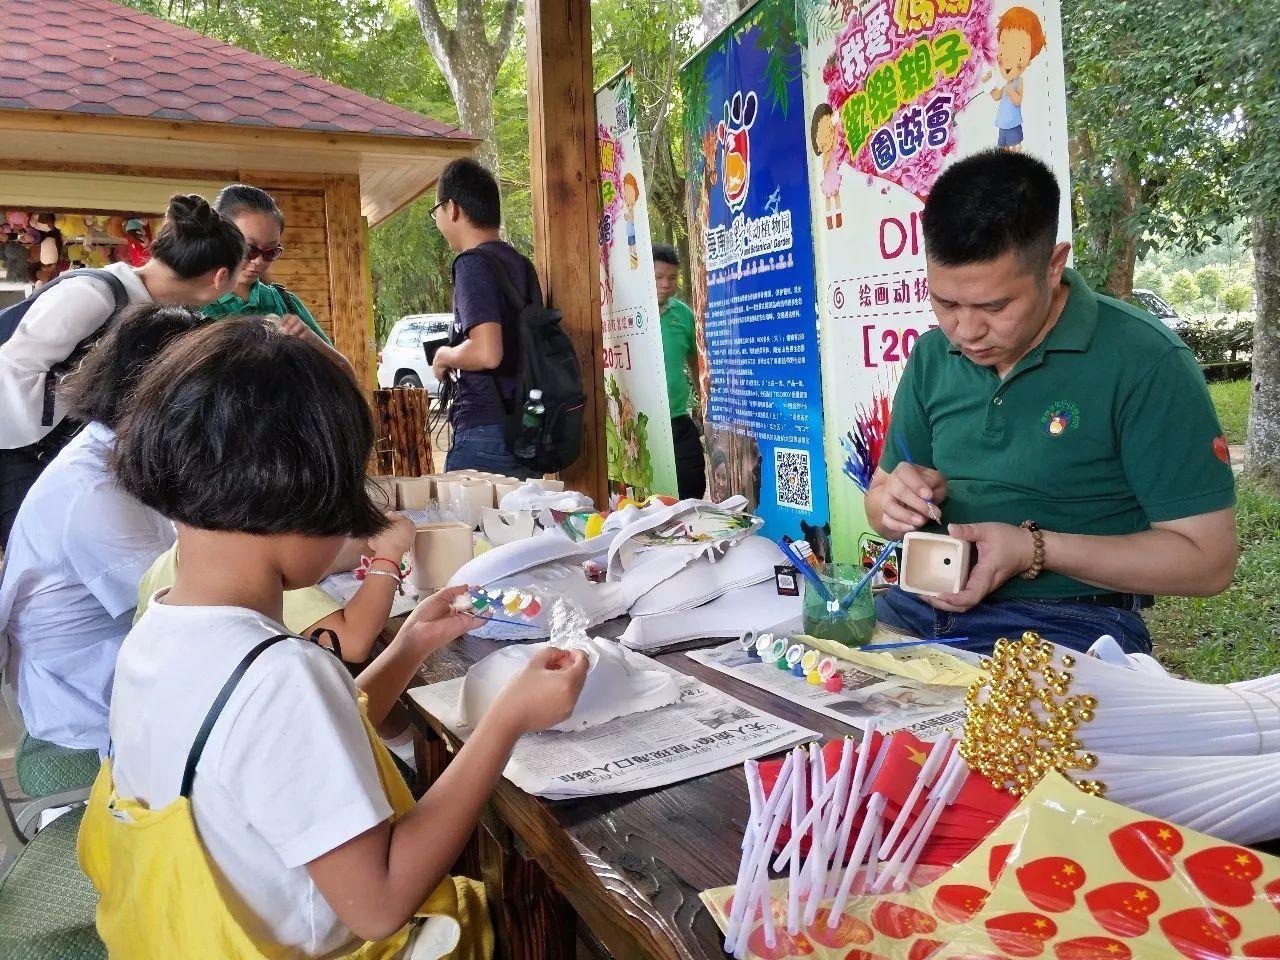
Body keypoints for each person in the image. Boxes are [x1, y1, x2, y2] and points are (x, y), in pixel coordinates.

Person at [82, 316, 589, 957]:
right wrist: (507, 720)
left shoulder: (159, 630)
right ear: (303, 496)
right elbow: (379, 901)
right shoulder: (279, 675)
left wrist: (407, 649)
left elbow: (285, 759)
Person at [867, 150, 1238, 655]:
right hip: (921, 606)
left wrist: (1034, 550)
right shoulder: (933, 356)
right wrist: (892, 504)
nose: (967, 331)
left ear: (1053, 265)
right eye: (946, 303)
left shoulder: (1144, 361)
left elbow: (1209, 561)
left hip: (1074, 623)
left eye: (995, 306)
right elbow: (880, 495)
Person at [0, 304, 214, 754]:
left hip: (120, 650)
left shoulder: (121, 449)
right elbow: (188, 608)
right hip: (84, 691)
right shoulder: (94, 491)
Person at [0, 194, 245, 545]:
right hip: (16, 449)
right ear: (221, 277)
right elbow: (13, 368)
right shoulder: (93, 296)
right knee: (43, 546)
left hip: (56, 449)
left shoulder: (151, 310)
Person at [430, 158, 538, 477]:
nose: (437, 219)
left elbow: (487, 353)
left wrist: (444, 356)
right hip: (524, 429)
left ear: (452, 208)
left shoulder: (472, 265)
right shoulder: (520, 264)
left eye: (435, 210)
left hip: (486, 435)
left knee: (470, 528)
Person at [205, 183, 353, 374]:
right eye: (249, 249)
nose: (258, 261)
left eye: (270, 252)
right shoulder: (192, 305)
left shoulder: (284, 302)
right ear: (218, 238)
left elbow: (346, 372)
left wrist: (309, 339)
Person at [653, 244, 706, 500]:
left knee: (692, 483)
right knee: (651, 497)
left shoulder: (683, 315)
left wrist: (705, 402)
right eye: (658, 277)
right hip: (641, 425)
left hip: (677, 418)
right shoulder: (626, 315)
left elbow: (697, 364)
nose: (666, 284)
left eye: (672, 278)